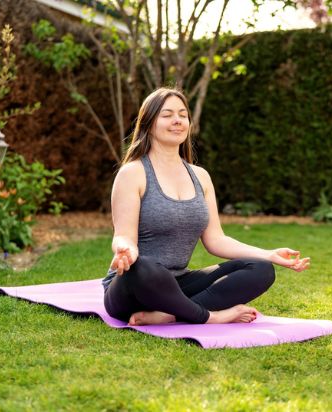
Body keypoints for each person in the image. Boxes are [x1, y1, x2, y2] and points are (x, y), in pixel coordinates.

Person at [103, 87, 310, 326]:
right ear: (149, 123)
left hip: (178, 284)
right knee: (144, 267)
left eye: (183, 114)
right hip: (134, 286)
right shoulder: (133, 173)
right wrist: (125, 251)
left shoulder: (200, 177)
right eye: (167, 114)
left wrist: (269, 254)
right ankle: (210, 316)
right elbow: (123, 236)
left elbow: (216, 240)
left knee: (261, 269)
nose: (177, 120)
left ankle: (170, 315)